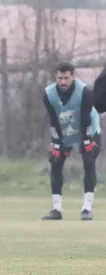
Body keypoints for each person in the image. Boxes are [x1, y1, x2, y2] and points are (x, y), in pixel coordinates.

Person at [41, 62, 101, 221]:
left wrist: (88, 140)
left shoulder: (85, 92)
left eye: (66, 78)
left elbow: (86, 117)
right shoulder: (48, 94)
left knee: (89, 163)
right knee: (56, 163)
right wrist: (56, 142)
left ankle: (87, 209)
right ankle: (56, 209)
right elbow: (53, 119)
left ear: (72, 77)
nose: (63, 82)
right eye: (60, 78)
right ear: (56, 77)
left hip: (88, 128)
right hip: (64, 129)